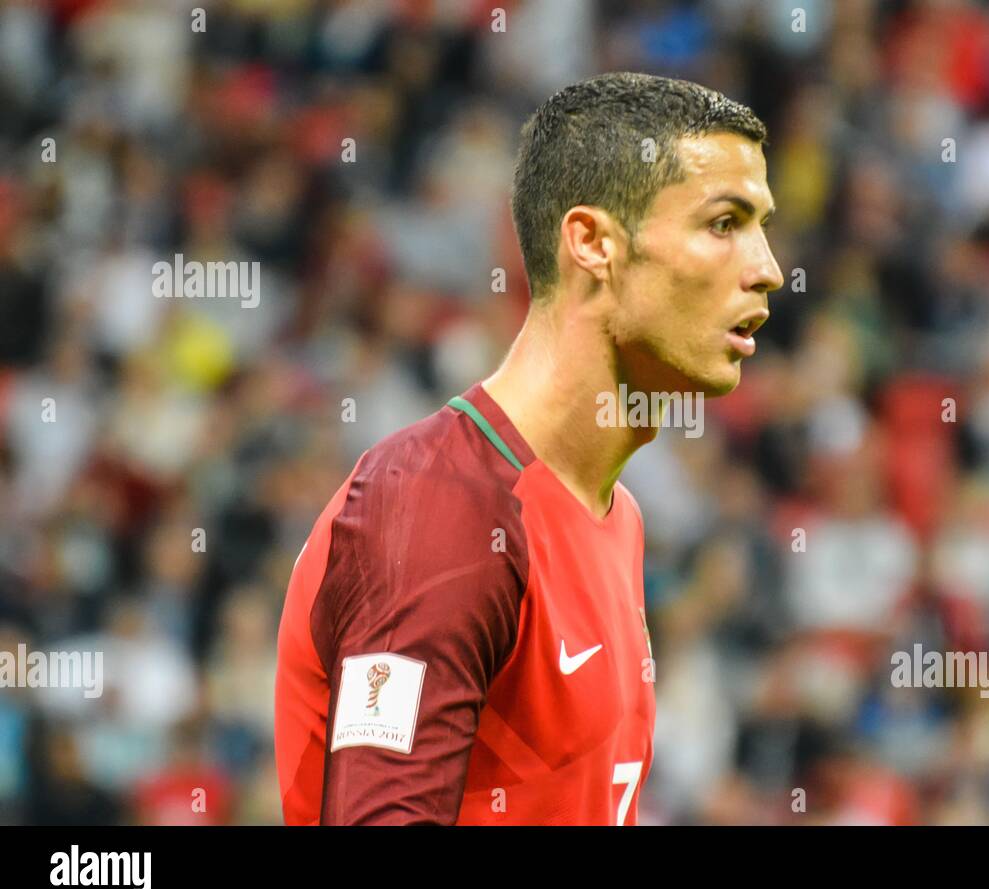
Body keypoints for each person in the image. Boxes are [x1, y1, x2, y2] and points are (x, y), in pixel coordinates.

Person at [274, 71, 783, 825]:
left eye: (761, 225)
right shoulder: (437, 504)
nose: (767, 266)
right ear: (593, 243)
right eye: (723, 223)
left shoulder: (618, 516)